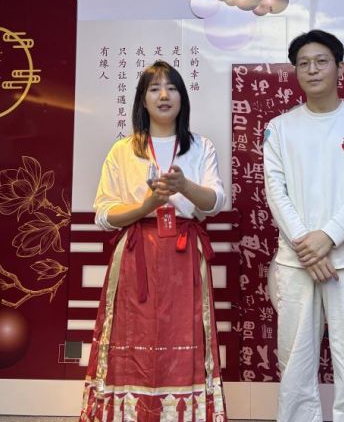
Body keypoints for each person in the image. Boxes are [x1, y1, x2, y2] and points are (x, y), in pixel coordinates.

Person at [80, 60, 227, 422]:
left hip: (183, 253)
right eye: (154, 89)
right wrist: (145, 206)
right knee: (132, 338)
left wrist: (183, 186)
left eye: (172, 88)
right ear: (142, 100)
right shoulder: (123, 150)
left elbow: (215, 203)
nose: (164, 96)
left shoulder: (200, 146)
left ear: (182, 97)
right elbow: (103, 215)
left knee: (185, 336)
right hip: (136, 253)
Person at [263, 30, 344, 422]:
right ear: (295, 71)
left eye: (321, 61)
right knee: (294, 367)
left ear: (340, 68)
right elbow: (276, 191)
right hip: (296, 262)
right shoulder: (279, 128)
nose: (312, 69)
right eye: (303, 63)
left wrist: (328, 237)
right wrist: (308, 246)